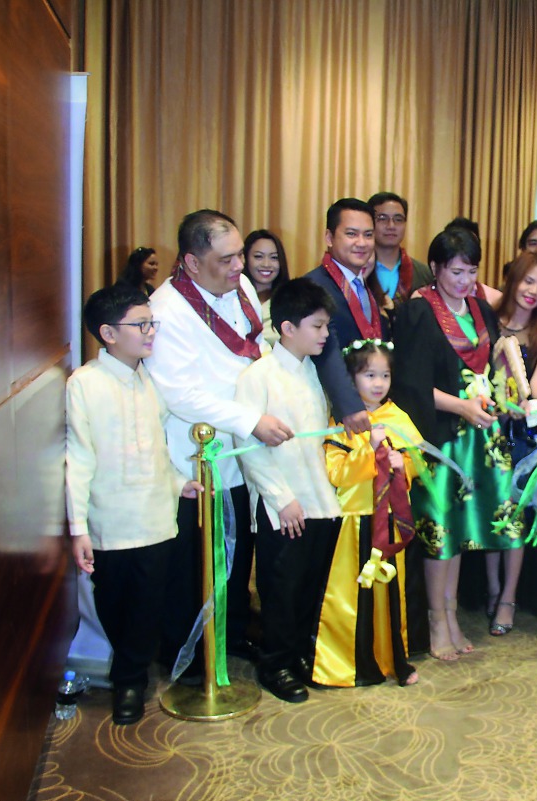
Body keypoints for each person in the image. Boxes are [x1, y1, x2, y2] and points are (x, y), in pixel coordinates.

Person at [146, 209, 294, 677]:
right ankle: (187, 655)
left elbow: (253, 350)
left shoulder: (241, 286)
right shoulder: (166, 310)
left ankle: (229, 635)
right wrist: (250, 419)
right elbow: (180, 394)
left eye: (239, 256)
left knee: (237, 551)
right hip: (197, 452)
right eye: (226, 259)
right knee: (197, 560)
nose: (239, 267)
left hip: (243, 445)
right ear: (192, 262)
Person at [66, 284, 200, 725]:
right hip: (111, 520)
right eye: (140, 325)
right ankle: (128, 673)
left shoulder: (148, 379)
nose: (150, 332)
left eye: (151, 323)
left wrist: (179, 483)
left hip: (157, 515)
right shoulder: (85, 383)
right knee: (115, 601)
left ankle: (130, 680)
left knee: (149, 600)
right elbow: (80, 458)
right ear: (108, 333)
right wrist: (78, 527)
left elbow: (157, 449)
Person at [390, 226, 517, 660]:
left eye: (472, 272)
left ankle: (452, 613)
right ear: (436, 268)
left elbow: (491, 370)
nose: (464, 281)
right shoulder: (418, 311)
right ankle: (435, 620)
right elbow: (409, 386)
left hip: (477, 437)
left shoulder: (481, 308)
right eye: (456, 272)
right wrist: (460, 406)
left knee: (461, 533)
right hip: (439, 437)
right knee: (440, 531)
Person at [234, 278, 342, 703]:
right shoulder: (258, 376)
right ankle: (275, 664)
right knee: (280, 586)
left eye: (326, 325)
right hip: (283, 503)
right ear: (287, 328)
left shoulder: (314, 371)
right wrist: (281, 499)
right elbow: (249, 447)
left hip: (320, 498)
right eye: (317, 326)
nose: (325, 334)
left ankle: (297, 654)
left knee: (310, 584)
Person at [312, 340, 422, 687]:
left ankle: (394, 660)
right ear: (350, 379)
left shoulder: (397, 417)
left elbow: (417, 462)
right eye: (369, 375)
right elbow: (337, 473)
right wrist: (369, 452)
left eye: (384, 375)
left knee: (390, 593)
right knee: (353, 595)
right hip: (355, 520)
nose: (378, 383)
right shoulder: (342, 421)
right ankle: (351, 665)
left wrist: (402, 464)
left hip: (390, 519)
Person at [482, 250, 537, 633]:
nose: (533, 291)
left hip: (521, 436)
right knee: (489, 512)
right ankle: (491, 587)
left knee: (514, 516)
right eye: (528, 281)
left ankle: (508, 598)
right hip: (484, 429)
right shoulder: (485, 320)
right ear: (513, 279)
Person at [305, 198, 386, 439]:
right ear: (329, 237)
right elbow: (326, 351)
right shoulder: (314, 285)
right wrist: (349, 404)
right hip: (335, 411)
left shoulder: (362, 285)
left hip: (367, 407)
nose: (361, 243)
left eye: (368, 235)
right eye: (351, 234)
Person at [368, 192, 433, 310]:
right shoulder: (360, 269)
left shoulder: (424, 274)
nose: (391, 226)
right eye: (382, 218)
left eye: (398, 219)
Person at [243, 229, 291, 345]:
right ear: (245, 258)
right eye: (258, 256)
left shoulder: (291, 302)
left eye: (274, 258)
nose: (266, 264)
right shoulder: (232, 297)